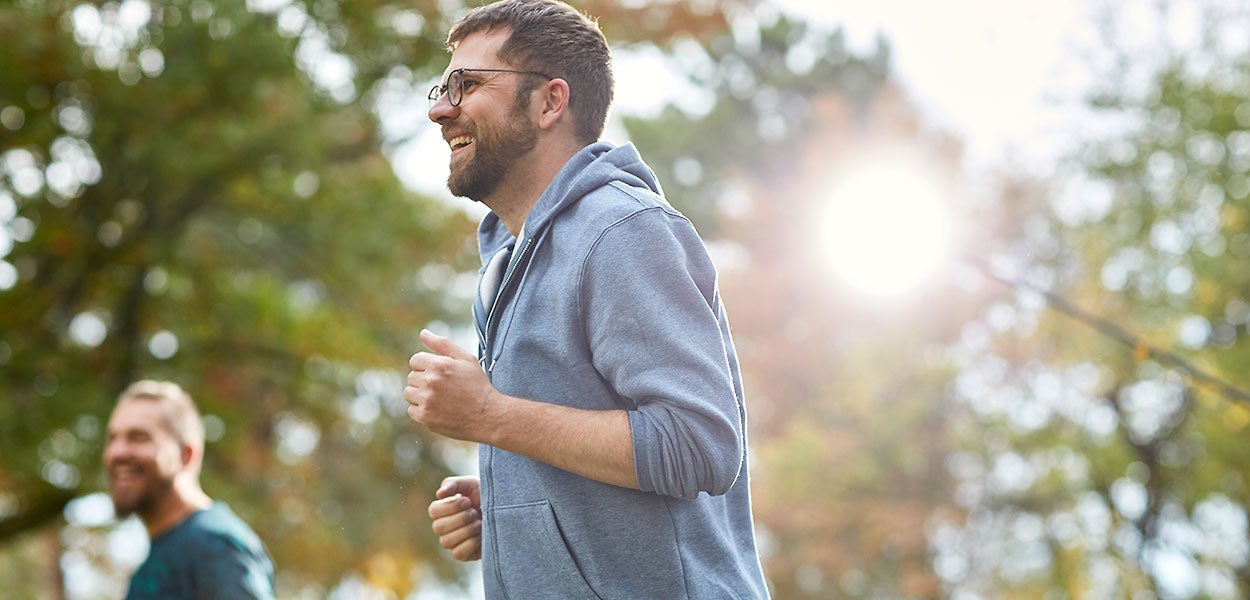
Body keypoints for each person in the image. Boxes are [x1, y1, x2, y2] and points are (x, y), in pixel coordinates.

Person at [404, 0, 769, 597]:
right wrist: (509, 504)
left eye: (467, 85)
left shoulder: (621, 231)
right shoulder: (509, 260)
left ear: (551, 101)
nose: (441, 109)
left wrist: (489, 417)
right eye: (443, 87)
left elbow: (697, 445)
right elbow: (582, 436)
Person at [103, 380, 275, 599]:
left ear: (187, 455)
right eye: (112, 438)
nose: (118, 452)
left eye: (139, 437)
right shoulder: (148, 567)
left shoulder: (215, 548)